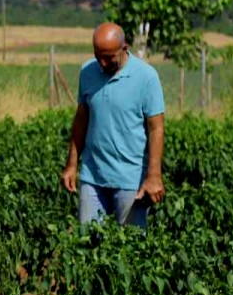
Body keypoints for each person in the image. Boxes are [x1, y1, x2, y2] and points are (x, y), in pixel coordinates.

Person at [59, 22, 166, 229]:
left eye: (108, 58)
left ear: (124, 49)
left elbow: (156, 128)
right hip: (93, 175)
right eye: (98, 55)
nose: (102, 63)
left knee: (131, 246)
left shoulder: (146, 77)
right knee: (87, 244)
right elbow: (81, 119)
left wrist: (154, 176)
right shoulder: (87, 71)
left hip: (130, 179)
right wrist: (72, 164)